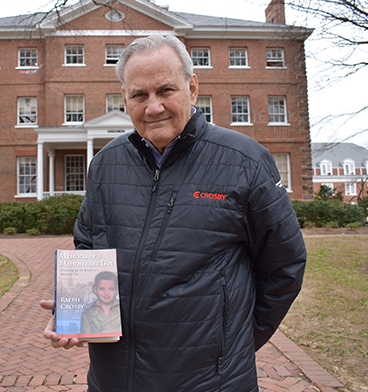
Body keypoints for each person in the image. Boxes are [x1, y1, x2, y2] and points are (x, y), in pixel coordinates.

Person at [41, 34, 306, 392]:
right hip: (114, 378)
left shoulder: (244, 161)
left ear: (192, 88)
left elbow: (284, 266)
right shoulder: (105, 164)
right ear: (125, 98)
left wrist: (231, 345)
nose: (153, 107)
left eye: (166, 90)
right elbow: (90, 245)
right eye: (139, 95)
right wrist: (77, 312)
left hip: (209, 382)